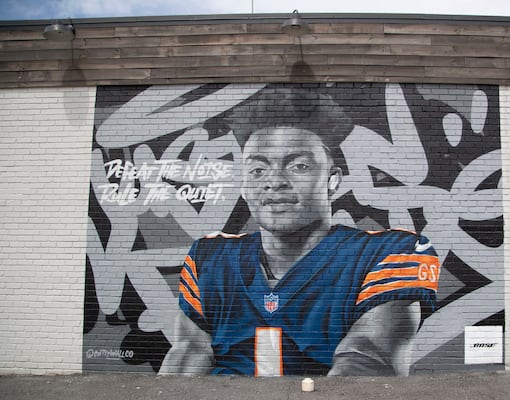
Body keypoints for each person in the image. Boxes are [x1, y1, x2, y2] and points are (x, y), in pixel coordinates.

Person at [159, 87, 440, 376]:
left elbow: (366, 357)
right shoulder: (211, 258)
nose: (274, 181)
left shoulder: (390, 253)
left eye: (298, 166)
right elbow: (189, 354)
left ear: (332, 181)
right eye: (257, 170)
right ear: (243, 185)